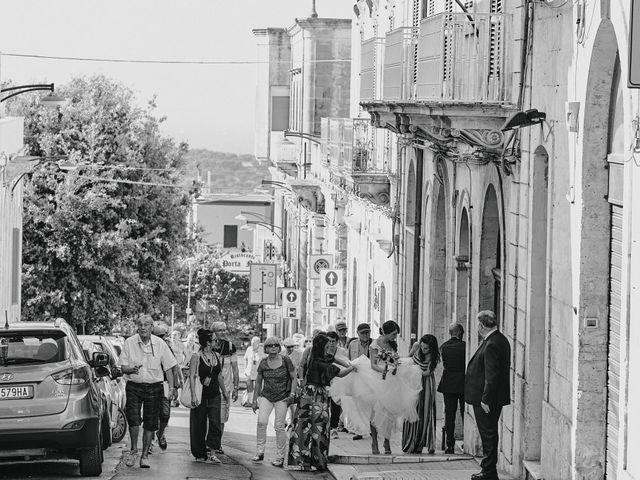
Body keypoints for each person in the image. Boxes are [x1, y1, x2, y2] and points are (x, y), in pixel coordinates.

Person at [287, 334, 357, 472]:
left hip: (307, 395)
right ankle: (317, 460)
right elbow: (341, 374)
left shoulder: (314, 357)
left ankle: (302, 458)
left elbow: (335, 359)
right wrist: (353, 368)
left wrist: (349, 363)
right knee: (319, 427)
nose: (329, 347)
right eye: (327, 345)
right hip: (318, 396)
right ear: (322, 346)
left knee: (303, 425)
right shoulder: (321, 363)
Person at [119, 314, 178, 469]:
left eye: (146, 325)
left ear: (152, 327)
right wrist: (131, 369)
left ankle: (144, 456)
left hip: (154, 387)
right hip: (134, 386)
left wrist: (172, 388)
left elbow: (170, 367)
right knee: (133, 419)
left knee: (151, 423)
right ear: (137, 327)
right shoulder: (129, 342)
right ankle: (133, 451)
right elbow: (123, 367)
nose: (143, 327)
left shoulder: (160, 344)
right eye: (140, 324)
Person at [465, 311, 511, 480]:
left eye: (478, 324)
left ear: (482, 326)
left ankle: (488, 471)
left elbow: (492, 375)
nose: (477, 327)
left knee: (488, 433)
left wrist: (485, 399)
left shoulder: (492, 343)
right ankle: (488, 469)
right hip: (490, 397)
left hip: (487, 399)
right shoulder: (499, 339)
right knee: (489, 432)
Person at [251, 337, 297, 467]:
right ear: (265, 348)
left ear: (279, 347)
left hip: (282, 397)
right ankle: (260, 452)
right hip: (266, 396)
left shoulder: (285, 360)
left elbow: (294, 378)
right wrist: (254, 400)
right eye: (270, 345)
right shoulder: (263, 362)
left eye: (276, 345)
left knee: (279, 426)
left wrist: (292, 394)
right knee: (261, 422)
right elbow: (258, 382)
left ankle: (280, 457)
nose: (273, 347)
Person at [189, 329, 228, 464]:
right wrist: (193, 395)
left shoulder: (217, 355)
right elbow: (192, 377)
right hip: (200, 395)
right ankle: (199, 453)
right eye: (215, 340)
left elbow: (219, 376)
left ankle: (212, 452)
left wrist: (225, 392)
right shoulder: (196, 356)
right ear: (207, 342)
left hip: (214, 394)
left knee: (215, 423)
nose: (217, 342)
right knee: (198, 424)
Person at [402, 334, 440, 454]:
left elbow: (428, 372)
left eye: (426, 349)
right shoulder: (416, 346)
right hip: (413, 382)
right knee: (412, 408)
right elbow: (408, 359)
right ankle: (409, 441)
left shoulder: (434, 357)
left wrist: (415, 371)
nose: (423, 350)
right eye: (422, 347)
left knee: (424, 411)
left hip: (426, 383)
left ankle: (420, 442)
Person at [210, 321, 240, 454]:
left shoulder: (230, 347)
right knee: (210, 418)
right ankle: (208, 444)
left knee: (221, 419)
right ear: (214, 332)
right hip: (210, 388)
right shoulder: (209, 345)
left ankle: (217, 444)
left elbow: (235, 368)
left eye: (224, 330)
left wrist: (236, 387)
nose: (223, 332)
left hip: (225, 388)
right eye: (220, 330)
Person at [152, 323, 182, 451]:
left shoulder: (166, 348)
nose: (161, 338)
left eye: (162, 336)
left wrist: (174, 386)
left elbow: (174, 367)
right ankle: (150, 441)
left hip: (164, 384)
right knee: (151, 414)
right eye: (159, 336)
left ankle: (161, 433)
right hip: (151, 385)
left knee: (165, 414)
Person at [438, 322, 466, 454]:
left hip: (448, 382)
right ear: (460, 333)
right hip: (463, 382)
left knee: (449, 414)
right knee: (464, 412)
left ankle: (450, 445)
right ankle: (466, 440)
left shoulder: (443, 347)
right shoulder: (465, 346)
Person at [347, 323, 372, 440]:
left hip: (370, 378)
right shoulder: (352, 344)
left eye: (367, 332)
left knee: (370, 404)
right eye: (363, 333)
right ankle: (359, 430)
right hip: (356, 377)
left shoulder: (374, 344)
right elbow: (348, 360)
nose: (365, 335)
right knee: (357, 405)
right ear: (358, 333)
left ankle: (371, 429)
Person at [243, 337, 262, 407]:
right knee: (249, 386)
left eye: (254, 343)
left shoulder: (262, 350)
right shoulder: (249, 349)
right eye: (252, 343)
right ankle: (250, 402)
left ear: (258, 344)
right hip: (249, 371)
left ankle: (259, 403)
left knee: (258, 388)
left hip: (258, 372)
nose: (253, 344)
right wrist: (245, 369)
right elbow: (245, 359)